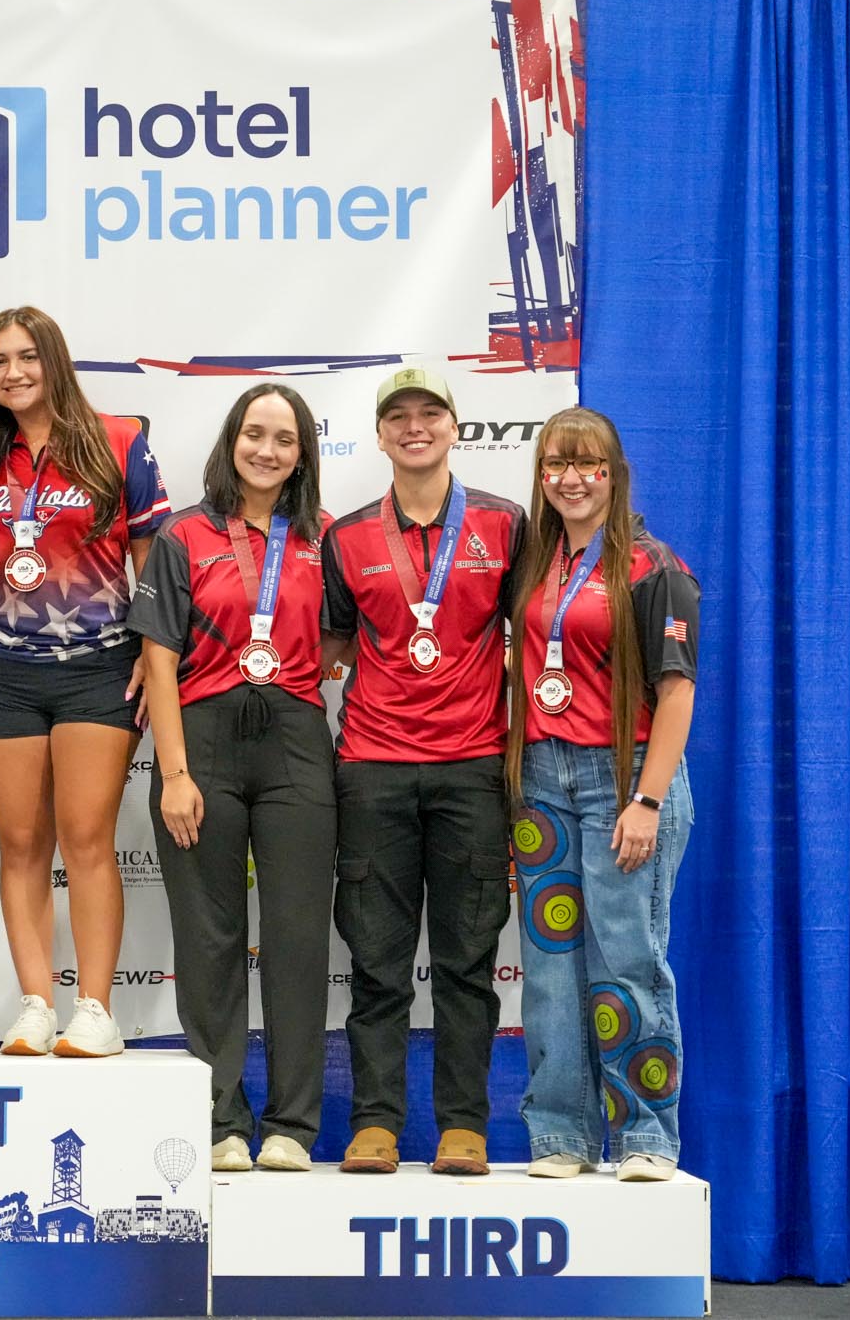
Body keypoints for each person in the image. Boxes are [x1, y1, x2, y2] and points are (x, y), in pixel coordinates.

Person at [321, 366, 525, 1174]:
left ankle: (463, 1126)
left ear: (454, 426)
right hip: (372, 767)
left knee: (467, 961)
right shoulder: (347, 538)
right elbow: (333, 645)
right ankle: (375, 1122)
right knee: (376, 961)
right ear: (379, 435)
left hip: (473, 768)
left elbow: (536, 629)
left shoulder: (505, 525)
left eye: (430, 412)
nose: (415, 426)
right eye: (398, 416)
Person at [130, 383, 333, 1169]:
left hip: (296, 742)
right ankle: (219, 1122)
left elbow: (349, 636)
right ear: (231, 441)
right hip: (203, 741)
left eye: (285, 438)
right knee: (209, 936)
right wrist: (174, 773)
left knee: (296, 936)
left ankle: (291, 1126)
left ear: (303, 454)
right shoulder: (184, 534)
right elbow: (158, 658)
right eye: (255, 433)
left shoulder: (325, 537)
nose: (267, 450)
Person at [0, 306, 168, 1057]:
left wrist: (154, 651)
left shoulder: (119, 441)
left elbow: (151, 559)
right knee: (21, 843)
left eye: (27, 356)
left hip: (99, 667)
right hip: (4, 671)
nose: (13, 372)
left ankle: (95, 1008)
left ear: (55, 360)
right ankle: (34, 1004)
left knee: (86, 839)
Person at [505, 407, 697, 1183]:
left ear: (614, 474)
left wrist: (647, 800)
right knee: (550, 968)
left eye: (588, 464)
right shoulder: (535, 558)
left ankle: (648, 1133)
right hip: (541, 779)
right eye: (556, 463)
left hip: (625, 777)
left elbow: (677, 691)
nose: (571, 478)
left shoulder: (654, 566)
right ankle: (562, 1133)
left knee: (626, 960)